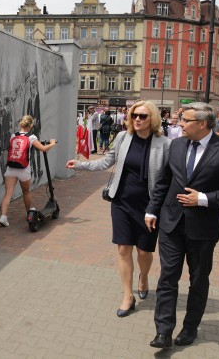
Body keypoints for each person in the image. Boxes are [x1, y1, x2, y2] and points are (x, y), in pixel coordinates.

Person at [145, 102, 219, 348]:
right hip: (171, 224)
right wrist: (151, 209)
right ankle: (163, 332)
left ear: (202, 123)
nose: (179, 124)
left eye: (185, 120)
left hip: (203, 228)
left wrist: (203, 199)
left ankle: (190, 328)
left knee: (198, 280)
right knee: (167, 278)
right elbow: (164, 181)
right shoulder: (177, 144)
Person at [67, 101, 171, 317]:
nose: (137, 120)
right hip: (122, 201)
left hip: (149, 206)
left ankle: (143, 277)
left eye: (142, 116)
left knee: (144, 251)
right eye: (134, 116)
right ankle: (127, 296)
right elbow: (106, 162)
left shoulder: (165, 144)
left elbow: (168, 178)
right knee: (124, 248)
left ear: (153, 118)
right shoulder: (124, 138)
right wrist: (80, 164)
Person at [0, 115, 56, 227]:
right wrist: (52, 143)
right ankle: (29, 213)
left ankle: (3, 216)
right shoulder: (31, 138)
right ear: (30, 126)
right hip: (23, 169)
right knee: (26, 192)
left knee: (8, 193)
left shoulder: (13, 136)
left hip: (11, 168)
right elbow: (43, 149)